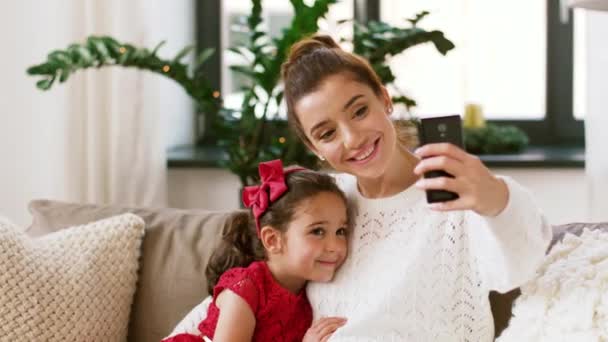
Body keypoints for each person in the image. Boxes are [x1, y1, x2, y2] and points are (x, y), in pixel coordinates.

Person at [280, 34, 553, 341]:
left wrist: (495, 197)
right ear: (314, 147)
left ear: (385, 100)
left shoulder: (459, 196)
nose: (352, 139)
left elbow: (523, 264)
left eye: (359, 112)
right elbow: (268, 291)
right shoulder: (323, 202)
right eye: (327, 133)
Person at [162, 159, 350, 342]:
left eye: (341, 231)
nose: (335, 246)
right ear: (273, 239)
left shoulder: (308, 294)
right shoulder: (246, 289)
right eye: (317, 231)